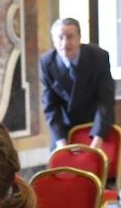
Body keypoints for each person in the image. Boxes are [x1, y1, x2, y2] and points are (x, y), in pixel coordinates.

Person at [39, 18, 115, 150]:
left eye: (70, 37)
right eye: (60, 38)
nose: (65, 43)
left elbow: (105, 101)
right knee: (60, 161)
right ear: (54, 40)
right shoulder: (47, 62)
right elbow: (50, 106)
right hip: (64, 130)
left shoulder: (98, 57)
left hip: (96, 126)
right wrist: (61, 142)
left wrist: (97, 138)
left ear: (79, 38)